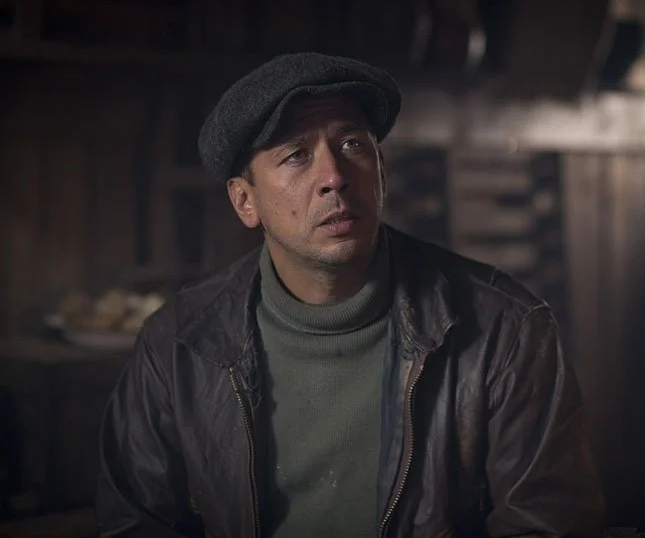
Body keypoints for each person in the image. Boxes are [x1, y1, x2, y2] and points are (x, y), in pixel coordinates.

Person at [95, 52, 606, 538]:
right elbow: (134, 522)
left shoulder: (504, 329)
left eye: (352, 145)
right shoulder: (178, 343)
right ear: (245, 201)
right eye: (297, 155)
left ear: (380, 168)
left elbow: (549, 524)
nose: (334, 178)